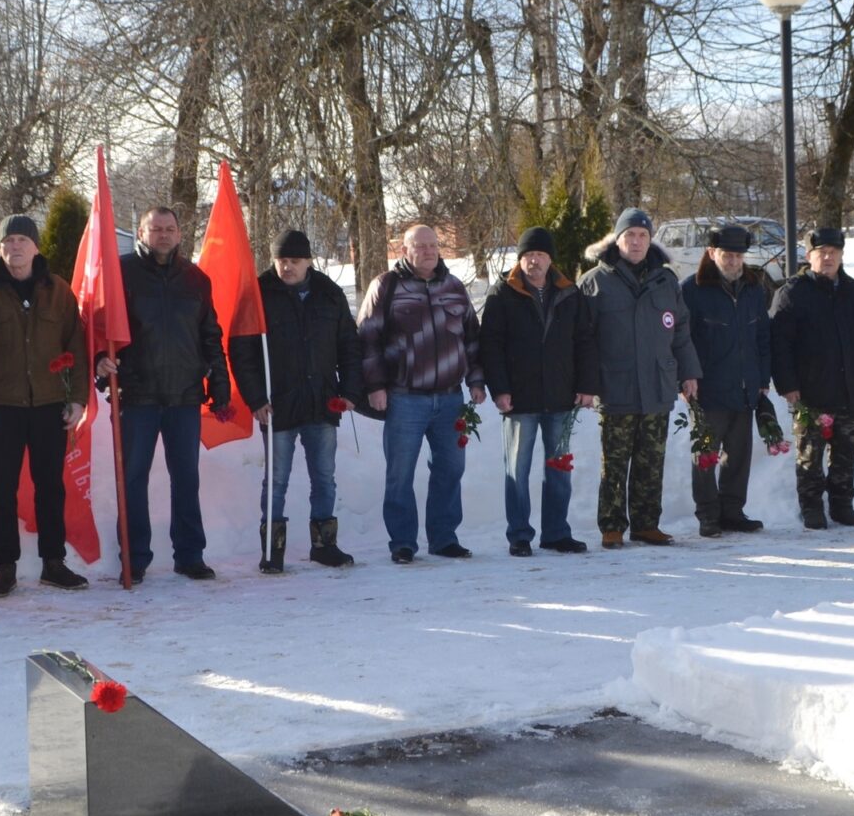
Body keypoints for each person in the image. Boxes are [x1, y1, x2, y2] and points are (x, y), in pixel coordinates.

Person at [95, 207, 232, 583]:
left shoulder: (196, 279)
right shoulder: (119, 274)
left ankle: (190, 555)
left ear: (180, 233)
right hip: (136, 395)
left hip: (183, 396)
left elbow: (210, 335)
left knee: (186, 478)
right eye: (156, 229)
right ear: (141, 232)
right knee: (133, 478)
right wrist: (98, 361)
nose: (164, 235)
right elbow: (96, 325)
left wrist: (219, 382)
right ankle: (134, 558)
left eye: (170, 228)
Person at [0, 214, 90, 599]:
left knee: (51, 486)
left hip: (49, 404)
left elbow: (76, 348)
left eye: (22, 240)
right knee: (2, 488)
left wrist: (77, 397)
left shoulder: (59, 292)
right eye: (8, 240)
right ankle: (5, 567)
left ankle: (53, 563)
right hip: (1, 405)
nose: (15, 247)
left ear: (36, 246)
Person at [230, 229, 364, 571]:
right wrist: (256, 398)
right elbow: (241, 352)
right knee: (276, 480)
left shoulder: (329, 294)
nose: (287, 267)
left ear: (308, 261)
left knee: (324, 476)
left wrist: (349, 391)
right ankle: (272, 552)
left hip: (322, 401)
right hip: (278, 405)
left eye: (294, 261)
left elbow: (349, 345)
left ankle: (324, 545)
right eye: (281, 260)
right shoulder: (257, 295)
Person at [358, 223, 487, 563]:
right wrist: (375, 386)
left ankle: (444, 537)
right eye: (420, 246)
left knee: (451, 468)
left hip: (450, 398)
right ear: (405, 250)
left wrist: (476, 381)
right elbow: (368, 340)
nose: (429, 251)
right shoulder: (387, 286)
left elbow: (472, 339)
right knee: (400, 472)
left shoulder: (454, 287)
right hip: (404, 397)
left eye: (433, 245)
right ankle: (402, 542)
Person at [579, 209, 701, 547]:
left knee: (651, 462)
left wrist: (689, 372)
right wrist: (586, 384)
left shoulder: (666, 281)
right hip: (615, 386)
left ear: (650, 241)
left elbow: (681, 331)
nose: (636, 242)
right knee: (615, 463)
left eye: (642, 236)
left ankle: (647, 524)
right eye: (629, 235)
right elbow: (582, 338)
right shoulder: (595, 282)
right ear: (616, 240)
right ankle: (612, 526)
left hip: (658, 385)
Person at [477, 226, 598, 556]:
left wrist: (587, 386)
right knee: (517, 469)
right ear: (520, 259)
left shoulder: (569, 293)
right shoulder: (503, 293)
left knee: (558, 468)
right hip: (519, 399)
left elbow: (584, 342)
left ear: (550, 259)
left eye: (540, 255)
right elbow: (491, 345)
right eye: (529, 255)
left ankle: (557, 532)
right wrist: (499, 389)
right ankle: (519, 534)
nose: (534, 261)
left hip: (560, 396)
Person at [769, 227, 854, 529]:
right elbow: (779, 344)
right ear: (809, 256)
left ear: (842, 255)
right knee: (810, 456)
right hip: (810, 393)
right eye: (821, 252)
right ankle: (811, 508)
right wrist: (788, 385)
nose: (828, 256)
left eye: (833, 252)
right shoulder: (792, 293)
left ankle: (842, 505)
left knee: (846, 455)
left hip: (850, 390)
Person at [681, 224, 777, 537]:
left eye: (738, 255)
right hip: (707, 388)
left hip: (745, 386)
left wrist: (763, 377)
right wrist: (686, 376)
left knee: (738, 454)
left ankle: (732, 510)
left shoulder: (752, 287)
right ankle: (708, 514)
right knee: (706, 455)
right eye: (727, 255)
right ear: (712, 254)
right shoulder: (692, 290)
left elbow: (763, 335)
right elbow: (682, 339)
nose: (734, 261)